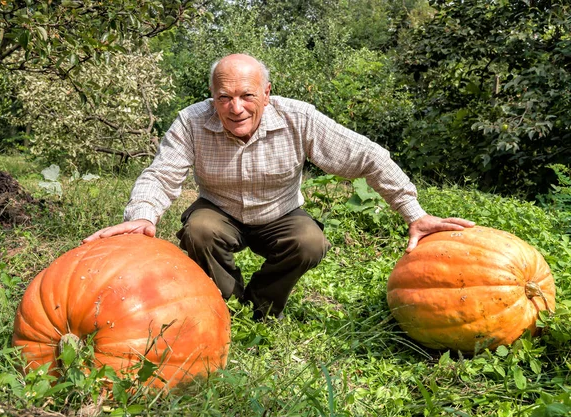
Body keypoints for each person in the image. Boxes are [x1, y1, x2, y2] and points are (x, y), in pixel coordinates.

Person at [84, 53, 474, 320]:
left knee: (309, 242)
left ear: (266, 94)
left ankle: (262, 306)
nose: (235, 107)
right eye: (224, 97)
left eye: (246, 95)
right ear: (213, 98)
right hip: (218, 209)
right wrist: (142, 216)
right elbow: (162, 173)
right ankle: (228, 306)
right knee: (199, 231)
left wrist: (415, 213)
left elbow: (368, 156)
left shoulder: (298, 118)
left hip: (280, 211)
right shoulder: (190, 122)